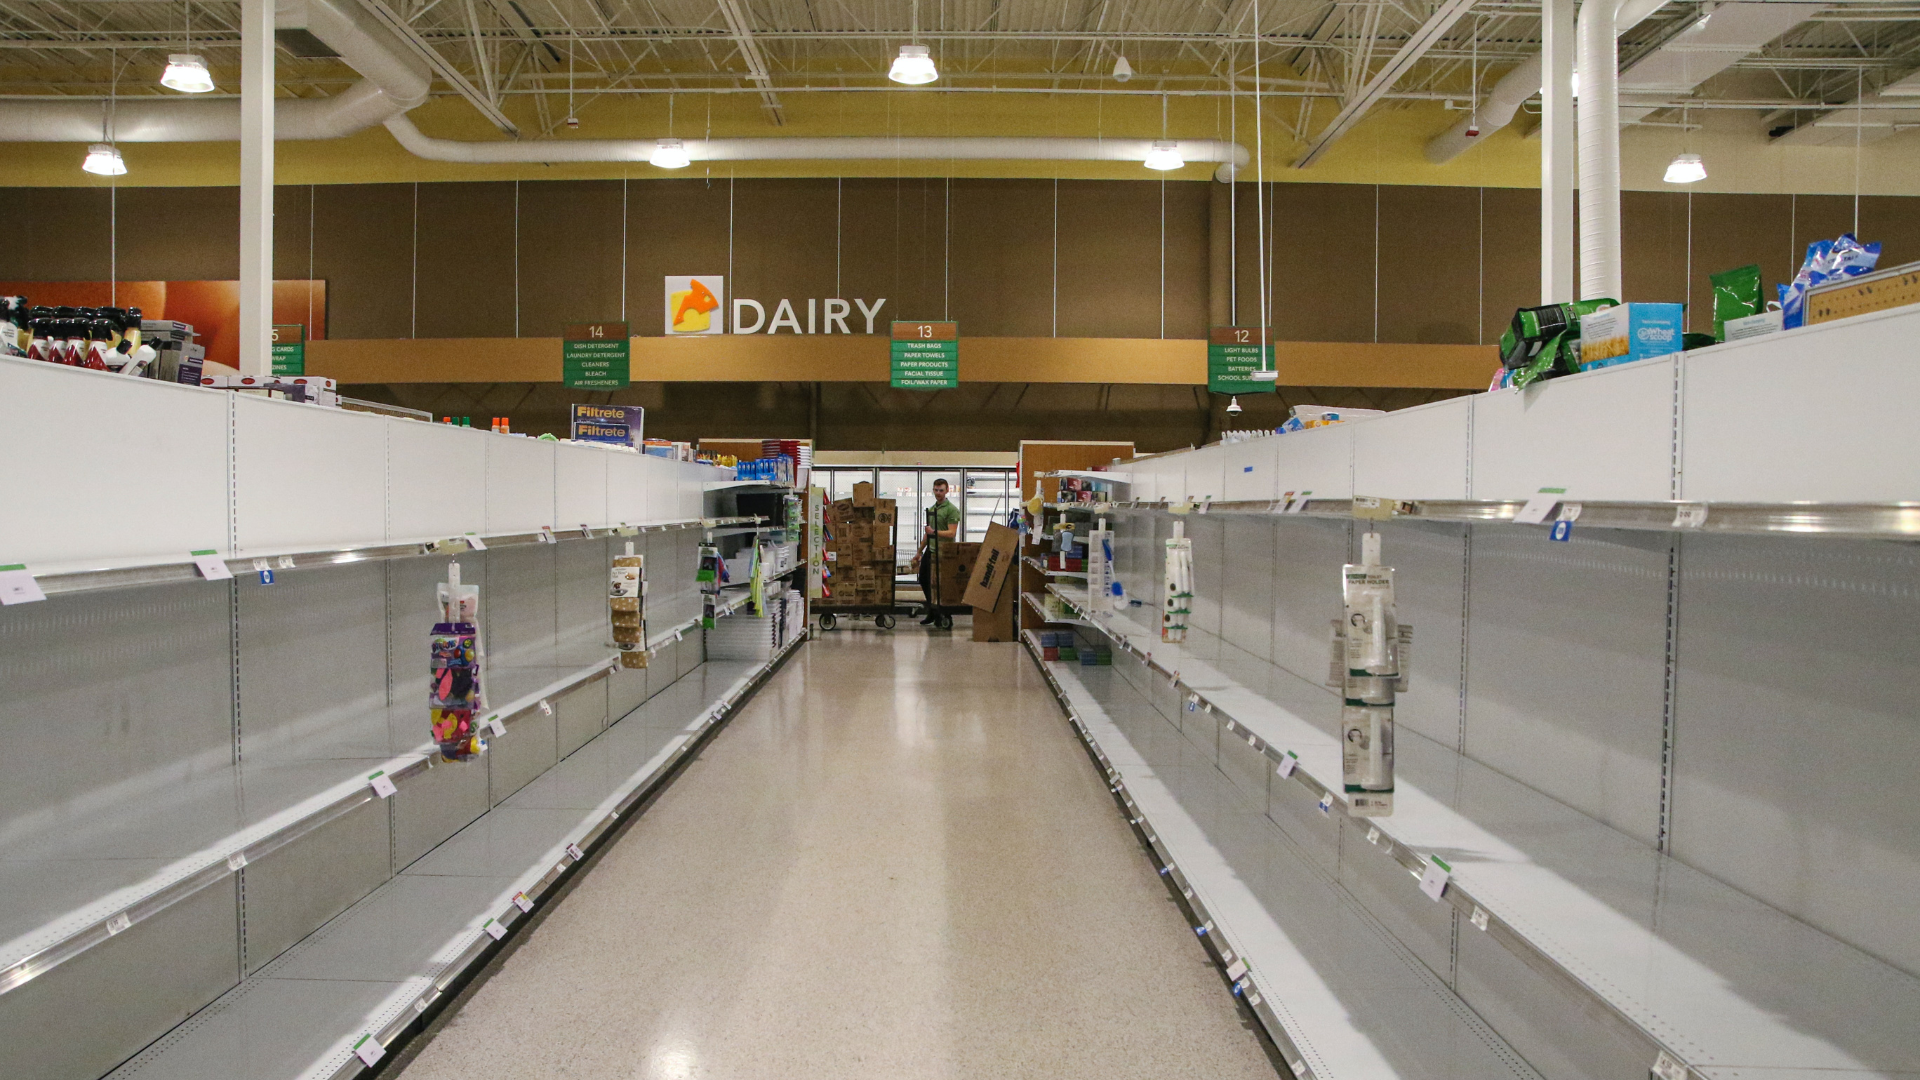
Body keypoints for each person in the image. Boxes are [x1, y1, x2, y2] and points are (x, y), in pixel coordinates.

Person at [913, 478, 962, 624]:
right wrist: (919, 552)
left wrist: (934, 532)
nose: (938, 493)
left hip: (944, 552)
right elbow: (928, 534)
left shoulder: (951, 510)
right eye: (936, 490)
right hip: (931, 549)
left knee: (942, 584)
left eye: (941, 490)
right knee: (924, 579)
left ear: (947, 491)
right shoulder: (932, 509)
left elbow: (952, 533)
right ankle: (933, 610)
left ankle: (945, 614)